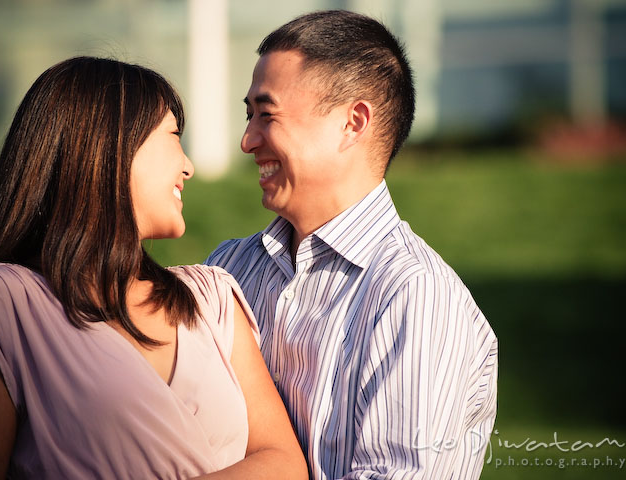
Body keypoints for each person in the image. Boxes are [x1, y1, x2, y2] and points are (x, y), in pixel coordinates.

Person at [0, 56, 307, 479]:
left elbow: (284, 462)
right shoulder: (1, 305)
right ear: (108, 146)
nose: (188, 166)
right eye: (174, 136)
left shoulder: (211, 297)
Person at [205, 10, 498, 479]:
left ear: (353, 122)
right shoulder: (227, 271)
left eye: (267, 113)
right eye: (248, 115)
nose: (247, 139)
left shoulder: (416, 297)